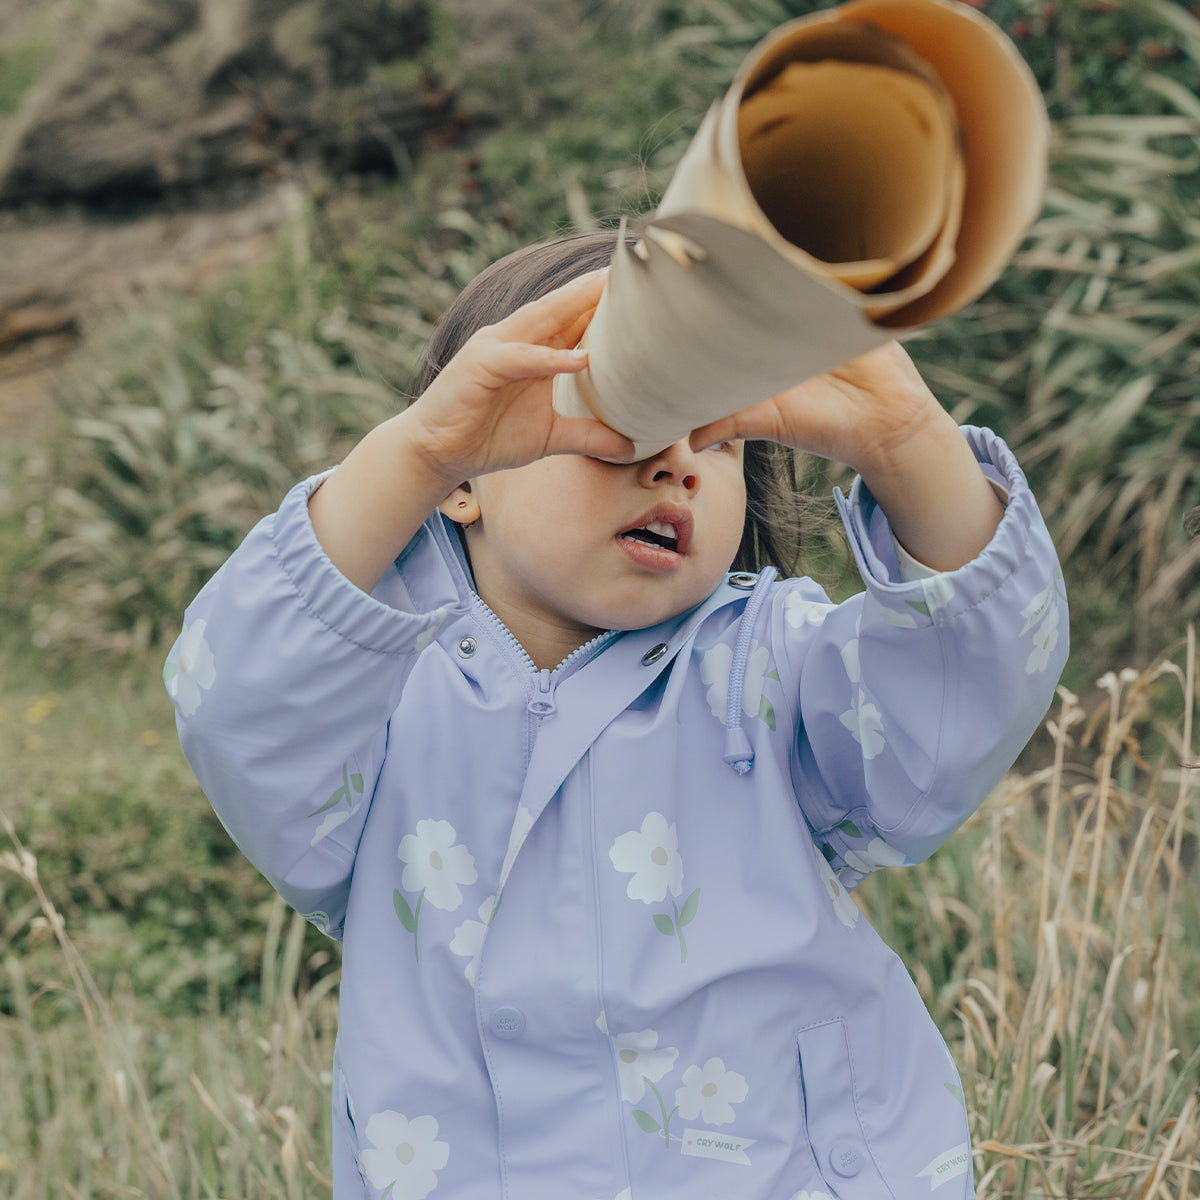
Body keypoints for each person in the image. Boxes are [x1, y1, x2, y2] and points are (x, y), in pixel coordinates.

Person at [166, 228, 1068, 1200]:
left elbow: (963, 698)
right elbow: (241, 709)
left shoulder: (770, 662)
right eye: (614, 416)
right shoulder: (378, 703)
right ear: (463, 480)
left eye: (715, 436)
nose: (675, 459)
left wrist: (904, 439)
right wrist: (416, 448)